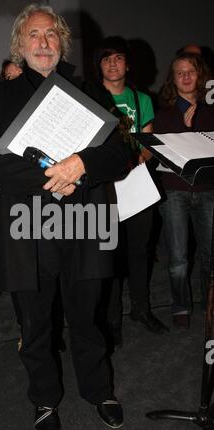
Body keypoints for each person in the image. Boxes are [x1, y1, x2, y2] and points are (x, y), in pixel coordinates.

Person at [0, 4, 131, 430]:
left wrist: (81, 162)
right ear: (20, 45)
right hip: (26, 227)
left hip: (83, 223)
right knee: (35, 323)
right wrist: (51, 176)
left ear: (62, 42)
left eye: (51, 35)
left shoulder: (88, 92)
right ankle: (44, 398)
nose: (43, 42)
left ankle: (99, 390)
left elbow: (121, 154)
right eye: (34, 35)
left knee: (87, 318)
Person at [85, 36, 169, 349]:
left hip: (136, 182)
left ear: (127, 63)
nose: (112, 63)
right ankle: (112, 320)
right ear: (99, 65)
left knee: (139, 250)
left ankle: (142, 309)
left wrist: (134, 162)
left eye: (118, 57)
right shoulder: (91, 97)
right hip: (104, 188)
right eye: (106, 58)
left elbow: (148, 143)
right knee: (109, 254)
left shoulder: (141, 99)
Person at [154, 52, 214, 328]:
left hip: (208, 190)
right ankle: (180, 306)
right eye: (180, 72)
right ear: (173, 79)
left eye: (191, 71)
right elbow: (161, 155)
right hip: (175, 191)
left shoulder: (211, 109)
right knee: (177, 256)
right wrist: (185, 127)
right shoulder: (163, 114)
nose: (186, 77)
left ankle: (209, 303)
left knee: (210, 254)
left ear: (200, 75)